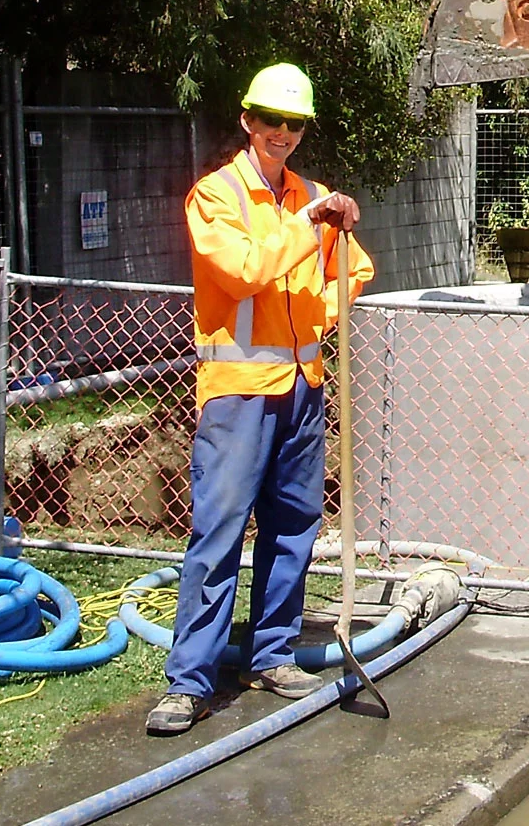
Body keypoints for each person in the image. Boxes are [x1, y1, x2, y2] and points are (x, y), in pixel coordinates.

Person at [145, 62, 375, 736]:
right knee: (218, 535)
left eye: (294, 122)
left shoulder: (314, 193)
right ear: (247, 121)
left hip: (303, 390)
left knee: (293, 528)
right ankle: (190, 682)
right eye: (270, 119)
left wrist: (320, 312)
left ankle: (271, 654)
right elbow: (244, 273)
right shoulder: (215, 197)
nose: (282, 132)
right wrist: (312, 225)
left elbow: (352, 269)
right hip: (239, 395)